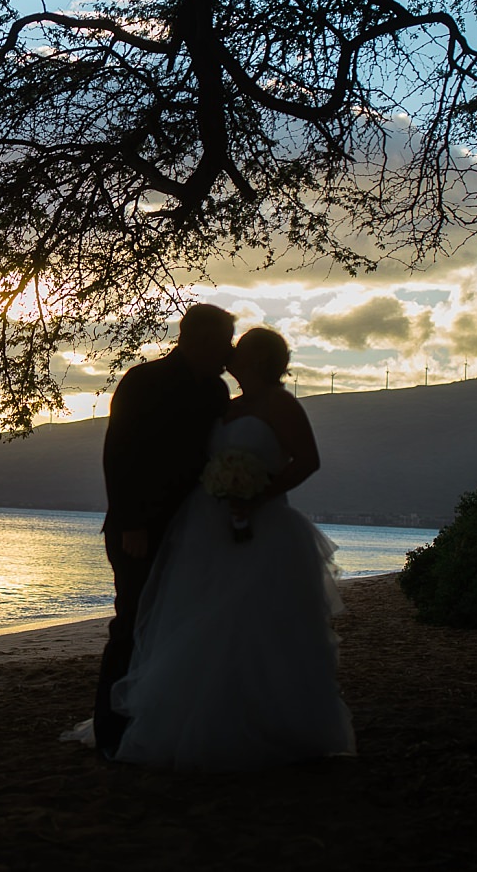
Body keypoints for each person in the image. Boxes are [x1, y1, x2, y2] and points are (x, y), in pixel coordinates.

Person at [109, 326, 355, 771]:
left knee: (256, 625)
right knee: (199, 620)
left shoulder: (282, 404)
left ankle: (265, 724)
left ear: (258, 360)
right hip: (206, 526)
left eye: (238, 352)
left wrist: (259, 493)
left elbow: (308, 461)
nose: (230, 357)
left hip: (266, 528)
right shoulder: (226, 402)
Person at [91, 302, 236, 758]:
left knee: (171, 627)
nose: (227, 351)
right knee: (131, 624)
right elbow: (119, 455)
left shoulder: (215, 390)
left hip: (189, 528)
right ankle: (109, 732)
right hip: (140, 527)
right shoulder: (143, 381)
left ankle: (151, 720)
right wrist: (132, 522)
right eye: (222, 342)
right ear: (197, 340)